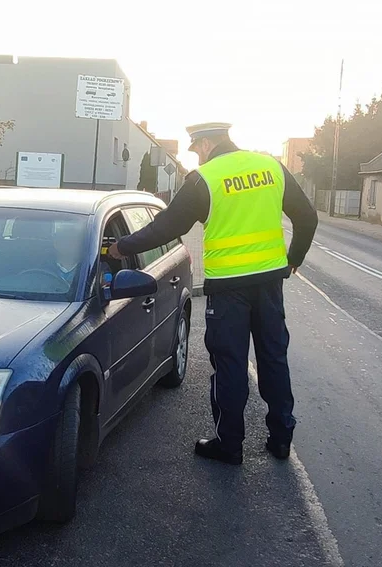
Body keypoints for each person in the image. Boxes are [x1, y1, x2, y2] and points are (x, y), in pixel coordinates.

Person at [108, 122, 318, 465]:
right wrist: (292, 261)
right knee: (273, 359)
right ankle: (281, 438)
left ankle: (229, 445)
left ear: (206, 144)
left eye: (197, 149)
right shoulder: (271, 167)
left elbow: (168, 227)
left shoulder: (204, 178)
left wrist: (123, 246)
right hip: (269, 284)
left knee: (230, 364)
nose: (197, 155)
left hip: (229, 289)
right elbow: (307, 218)